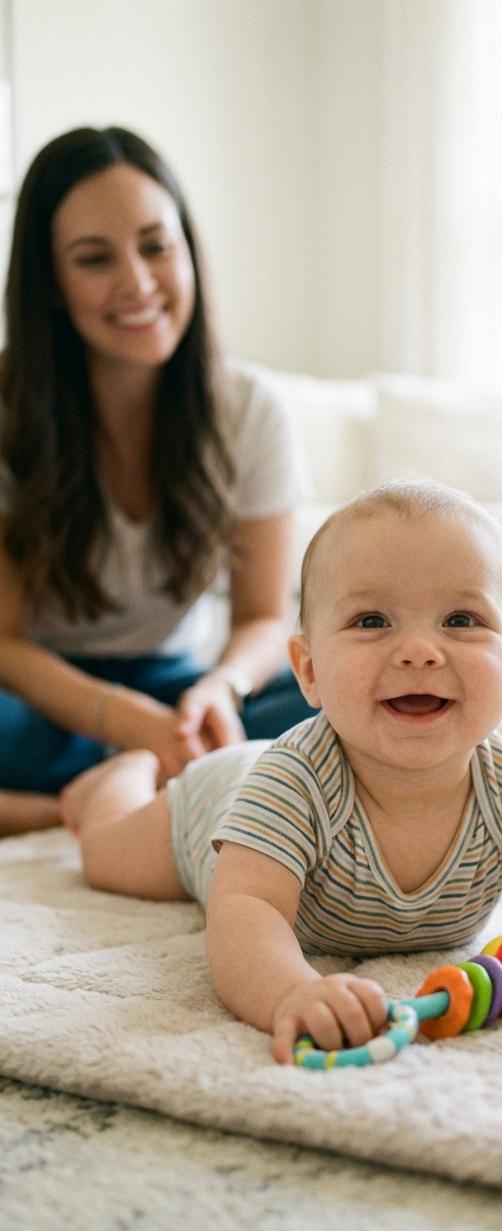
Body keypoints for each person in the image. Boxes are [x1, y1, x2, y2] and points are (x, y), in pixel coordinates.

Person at [60, 481, 502, 1061]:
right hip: (218, 800)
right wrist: (293, 991)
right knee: (103, 854)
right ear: (309, 671)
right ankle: (124, 774)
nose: (418, 650)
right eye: (372, 620)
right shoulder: (293, 782)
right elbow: (245, 914)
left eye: (462, 619)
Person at [0, 125, 312, 838]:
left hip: (183, 688)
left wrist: (218, 690)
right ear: (49, 282)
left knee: (346, 690)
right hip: (43, 697)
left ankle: (121, 779)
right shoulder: (6, 410)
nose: (137, 283)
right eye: (93, 259)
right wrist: (127, 721)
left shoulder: (250, 408)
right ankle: (109, 785)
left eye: (155, 246)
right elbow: (7, 643)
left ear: (188, 251)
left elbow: (265, 618)